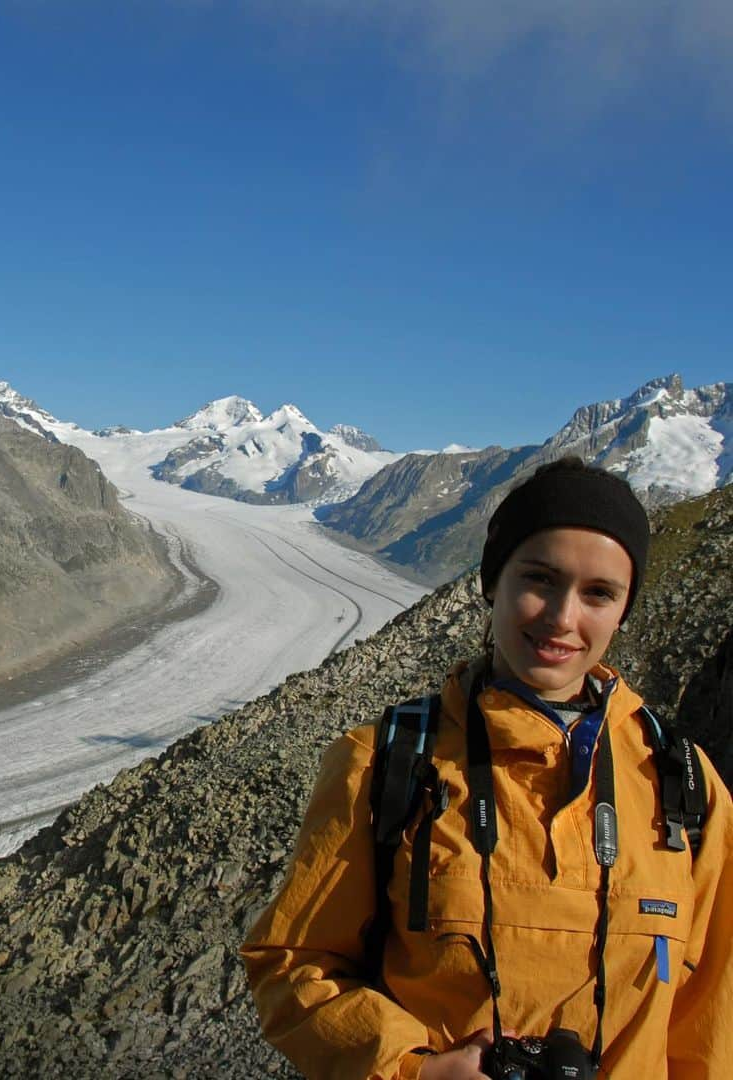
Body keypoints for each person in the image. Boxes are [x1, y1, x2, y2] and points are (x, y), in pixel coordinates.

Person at [241, 457, 733, 1079]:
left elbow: (713, 1018)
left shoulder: (685, 786)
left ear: (624, 609)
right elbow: (292, 962)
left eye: (598, 593)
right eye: (539, 579)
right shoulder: (386, 762)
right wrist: (415, 1070)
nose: (562, 617)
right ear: (491, 582)